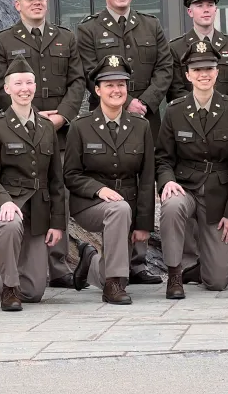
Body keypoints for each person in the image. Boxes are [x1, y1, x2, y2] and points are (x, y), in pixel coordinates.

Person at [76, 0, 171, 286]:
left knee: (143, 182)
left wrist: (145, 102)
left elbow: (164, 68)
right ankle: (110, 260)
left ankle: (139, 260)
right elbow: (89, 72)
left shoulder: (150, 25)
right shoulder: (88, 29)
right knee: (112, 183)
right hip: (104, 121)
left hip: (147, 117)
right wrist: (123, 101)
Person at [0, 0, 83, 288]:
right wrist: (27, 116)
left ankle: (58, 265)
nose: (37, 2)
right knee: (26, 193)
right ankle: (28, 263)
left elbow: (77, 81)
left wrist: (63, 117)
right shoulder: (3, 41)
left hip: (58, 132)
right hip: (20, 132)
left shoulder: (66, 38)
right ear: (17, 4)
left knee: (59, 193)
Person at [167, 0, 228, 282]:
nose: (206, 9)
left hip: (226, 124)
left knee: (224, 180)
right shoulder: (176, 47)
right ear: (190, 10)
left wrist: (226, 113)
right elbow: (175, 89)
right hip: (191, 121)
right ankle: (189, 261)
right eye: (200, 4)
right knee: (187, 191)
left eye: (210, 4)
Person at [155, 42, 228, 297]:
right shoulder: (174, 110)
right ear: (187, 75)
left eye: (209, 68)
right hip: (186, 186)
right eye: (197, 69)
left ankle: (199, 267)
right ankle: (175, 274)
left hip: (218, 193)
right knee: (172, 205)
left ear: (217, 72)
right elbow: (162, 157)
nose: (203, 74)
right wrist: (167, 182)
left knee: (217, 281)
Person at [64, 55, 155, 304]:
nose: (116, 90)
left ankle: (91, 262)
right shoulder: (80, 126)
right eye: (109, 85)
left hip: (128, 207)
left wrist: (143, 223)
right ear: (97, 90)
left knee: (121, 211)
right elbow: (70, 175)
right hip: (89, 204)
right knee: (118, 209)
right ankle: (113, 285)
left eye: (121, 85)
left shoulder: (140, 125)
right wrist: (99, 190)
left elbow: (146, 178)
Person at [0, 56, 66, 311]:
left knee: (35, 292)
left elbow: (55, 179)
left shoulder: (47, 127)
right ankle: (8, 288)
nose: (24, 88)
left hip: (37, 210)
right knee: (10, 222)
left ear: (35, 87)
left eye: (29, 83)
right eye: (18, 83)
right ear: (7, 89)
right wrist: (4, 201)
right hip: (3, 206)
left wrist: (57, 223)